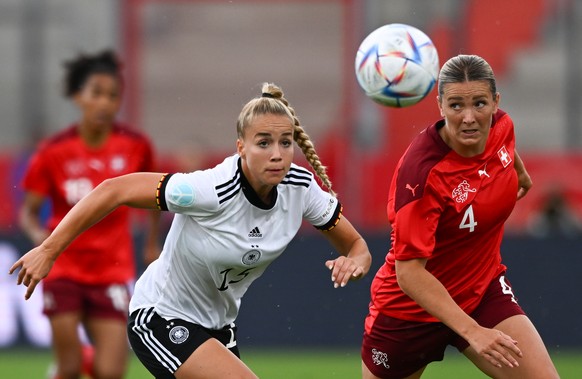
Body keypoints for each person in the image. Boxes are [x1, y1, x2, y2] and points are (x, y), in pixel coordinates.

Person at [11, 82, 372, 379]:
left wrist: (355, 260)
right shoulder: (209, 190)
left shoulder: (301, 188)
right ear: (240, 148)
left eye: (285, 142)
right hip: (160, 316)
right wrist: (48, 250)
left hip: (219, 328)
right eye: (263, 143)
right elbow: (113, 190)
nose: (277, 154)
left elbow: (356, 245)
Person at [360, 54, 559, 379]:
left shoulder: (502, 126)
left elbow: (504, 147)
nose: (469, 118)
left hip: (481, 293)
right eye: (455, 106)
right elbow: (409, 274)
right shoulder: (422, 176)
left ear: (496, 102)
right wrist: (472, 331)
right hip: (409, 313)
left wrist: (520, 174)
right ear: (440, 106)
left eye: (480, 104)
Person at [17, 49, 160, 379]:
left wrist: (152, 244)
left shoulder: (136, 146)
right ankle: (71, 362)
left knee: (109, 373)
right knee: (67, 369)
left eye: (113, 96)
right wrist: (40, 238)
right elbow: (29, 211)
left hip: (111, 269)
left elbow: (155, 195)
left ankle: (83, 358)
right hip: (62, 266)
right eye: (96, 93)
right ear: (77, 96)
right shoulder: (53, 151)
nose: (105, 103)